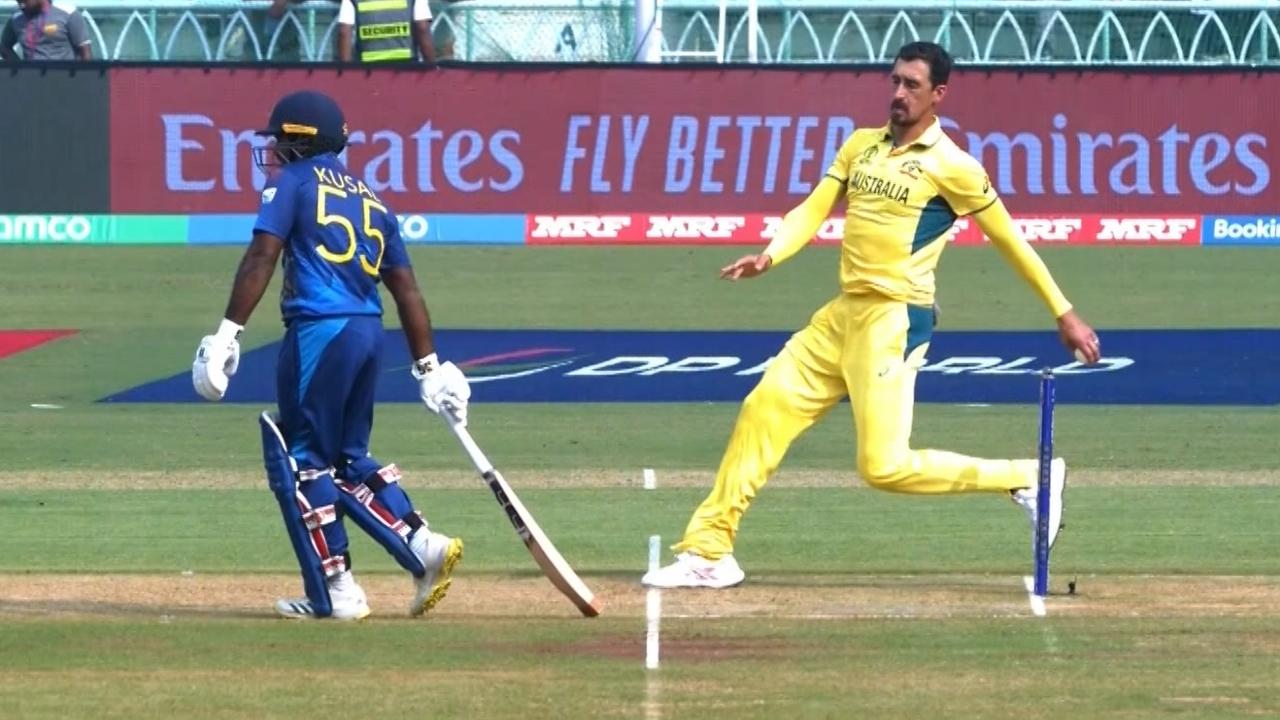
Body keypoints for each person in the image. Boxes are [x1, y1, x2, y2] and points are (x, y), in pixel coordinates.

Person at [642, 41, 1102, 589]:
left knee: (882, 466)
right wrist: (771, 253)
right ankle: (709, 550)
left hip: (894, 322)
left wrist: (1063, 312)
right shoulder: (861, 146)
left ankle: (1026, 478)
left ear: (939, 95)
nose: (899, 94)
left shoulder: (953, 166)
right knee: (762, 407)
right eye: (894, 82)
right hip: (841, 316)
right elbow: (813, 206)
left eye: (912, 85)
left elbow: (1011, 241)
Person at [191, 90, 470, 619]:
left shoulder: (290, 182)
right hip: (368, 334)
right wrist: (430, 367)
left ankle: (337, 591)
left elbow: (262, 256)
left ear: (299, 139)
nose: (270, 149)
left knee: (302, 464)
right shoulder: (371, 197)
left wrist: (228, 333)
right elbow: (406, 290)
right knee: (347, 459)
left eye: (277, 138)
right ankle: (422, 544)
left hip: (319, 331)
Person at [336, 0, 435, 64]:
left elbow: (344, 32)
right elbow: (422, 28)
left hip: (367, 71)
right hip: (407, 68)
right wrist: (431, 66)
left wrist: (345, 73)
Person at [1, 0, 92, 61]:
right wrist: (20, 68)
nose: (21, 4)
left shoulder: (68, 13)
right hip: (31, 80)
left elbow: (85, 52)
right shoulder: (16, 19)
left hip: (64, 78)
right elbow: (4, 47)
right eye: (18, 1)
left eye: (24, 0)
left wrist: (83, 78)